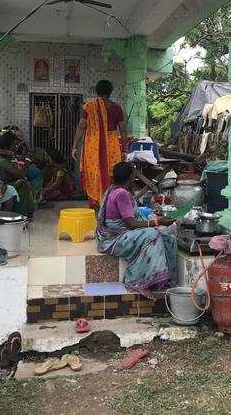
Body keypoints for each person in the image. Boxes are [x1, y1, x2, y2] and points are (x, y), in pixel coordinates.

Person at [97, 162, 177, 297]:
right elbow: (131, 224)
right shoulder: (121, 194)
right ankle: (137, 281)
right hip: (115, 239)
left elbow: (130, 216)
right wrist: (157, 221)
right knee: (152, 235)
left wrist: (153, 216)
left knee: (169, 240)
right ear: (130, 178)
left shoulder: (114, 189)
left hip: (120, 235)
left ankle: (167, 280)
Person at [71, 79, 127, 208]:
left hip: (93, 147)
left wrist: (74, 146)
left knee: (94, 173)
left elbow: (81, 126)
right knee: (112, 173)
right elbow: (123, 130)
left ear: (97, 91)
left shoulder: (89, 107)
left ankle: (96, 204)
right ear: (110, 91)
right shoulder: (116, 108)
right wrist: (125, 149)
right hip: (112, 146)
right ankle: (111, 203)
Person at [0, 133, 36, 217]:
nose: (17, 147)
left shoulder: (10, 158)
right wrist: (27, 159)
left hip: (9, 183)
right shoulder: (2, 161)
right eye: (14, 145)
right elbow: (21, 174)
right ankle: (20, 215)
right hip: (2, 186)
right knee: (22, 185)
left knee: (24, 182)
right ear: (6, 148)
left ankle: (27, 212)